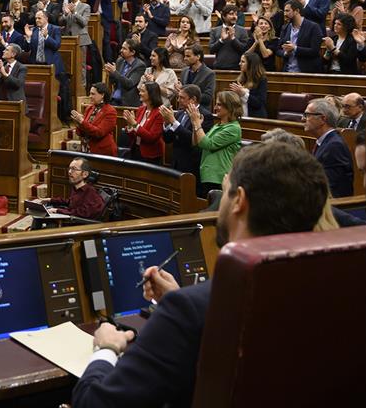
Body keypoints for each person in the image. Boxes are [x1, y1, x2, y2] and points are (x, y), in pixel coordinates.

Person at [74, 142, 329, 408]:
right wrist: (177, 297)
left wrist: (106, 349)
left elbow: (95, 403)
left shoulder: (188, 311)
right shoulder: (328, 292)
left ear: (239, 201)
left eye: (225, 190)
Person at [190, 90, 243, 196]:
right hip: (207, 175)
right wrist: (195, 125)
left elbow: (208, 144)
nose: (215, 108)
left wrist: (197, 123)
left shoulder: (233, 128)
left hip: (218, 177)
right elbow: (196, 142)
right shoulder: (218, 126)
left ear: (229, 106)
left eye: (219, 105)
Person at [277, 0, 324, 73]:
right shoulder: (285, 28)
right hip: (288, 71)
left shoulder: (314, 27)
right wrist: (285, 53)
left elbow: (315, 51)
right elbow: (278, 50)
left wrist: (295, 48)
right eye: (284, 11)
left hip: (307, 72)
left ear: (297, 11)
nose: (284, 14)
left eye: (287, 11)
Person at [71, 83, 118, 157]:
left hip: (102, 152)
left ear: (102, 95)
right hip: (86, 149)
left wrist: (82, 122)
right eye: (90, 94)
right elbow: (81, 133)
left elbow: (99, 132)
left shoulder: (110, 111)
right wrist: (78, 124)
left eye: (93, 94)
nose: (90, 96)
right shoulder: (89, 108)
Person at [122, 82, 165, 162]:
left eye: (142, 91)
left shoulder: (160, 113)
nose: (139, 93)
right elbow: (134, 135)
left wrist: (134, 124)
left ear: (151, 94)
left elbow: (151, 137)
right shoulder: (141, 109)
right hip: (136, 150)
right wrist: (129, 124)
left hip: (150, 155)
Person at [208, 6, 250, 70]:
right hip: (219, 67)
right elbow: (211, 50)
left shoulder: (242, 30)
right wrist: (221, 40)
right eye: (231, 14)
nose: (234, 17)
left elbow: (244, 50)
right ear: (224, 16)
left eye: (236, 14)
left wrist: (233, 38)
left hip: (236, 67)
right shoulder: (215, 30)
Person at [229, 50, 268, 118]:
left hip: (255, 118)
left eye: (243, 62)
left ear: (251, 64)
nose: (239, 64)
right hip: (239, 117)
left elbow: (259, 103)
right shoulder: (239, 80)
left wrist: (244, 94)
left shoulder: (261, 80)